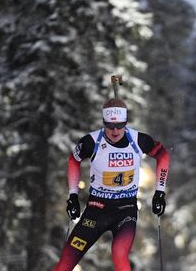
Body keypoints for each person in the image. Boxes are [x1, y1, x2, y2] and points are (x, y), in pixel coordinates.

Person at [53, 98, 170, 271]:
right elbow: (73, 161)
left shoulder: (138, 140)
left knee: (119, 254)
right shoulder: (91, 142)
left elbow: (163, 156)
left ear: (126, 122)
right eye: (110, 126)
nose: (115, 131)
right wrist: (73, 195)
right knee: (66, 262)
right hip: (96, 209)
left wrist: (160, 192)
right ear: (103, 122)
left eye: (120, 125)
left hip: (125, 209)